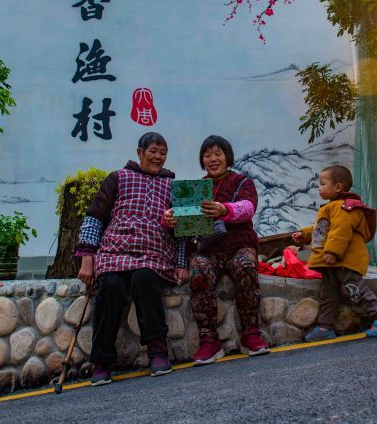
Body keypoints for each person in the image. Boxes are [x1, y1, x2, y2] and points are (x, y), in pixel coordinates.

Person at [76, 132, 189, 386]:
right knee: (110, 286)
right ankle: (102, 361)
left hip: (153, 254)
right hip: (114, 252)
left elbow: (184, 230)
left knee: (144, 279)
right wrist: (87, 257)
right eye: (153, 151)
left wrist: (182, 262)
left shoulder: (173, 186)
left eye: (163, 152)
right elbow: (94, 217)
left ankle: (158, 351)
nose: (158, 156)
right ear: (139, 153)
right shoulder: (118, 178)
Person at [165, 135, 269, 365]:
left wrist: (224, 209)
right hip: (207, 250)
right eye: (207, 155)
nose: (213, 159)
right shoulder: (195, 189)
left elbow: (248, 208)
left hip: (239, 246)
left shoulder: (243, 182)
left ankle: (251, 333)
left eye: (218, 154)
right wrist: (171, 220)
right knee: (199, 269)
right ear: (202, 160)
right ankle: (209, 340)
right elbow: (184, 226)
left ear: (227, 157)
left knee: (246, 265)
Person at [291, 164, 377, 341]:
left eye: (323, 184)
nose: (319, 188)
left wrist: (333, 252)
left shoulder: (344, 208)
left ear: (338, 187)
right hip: (331, 264)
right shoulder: (332, 207)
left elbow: (341, 231)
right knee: (328, 296)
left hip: (343, 261)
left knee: (355, 290)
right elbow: (322, 230)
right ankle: (325, 327)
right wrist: (305, 234)